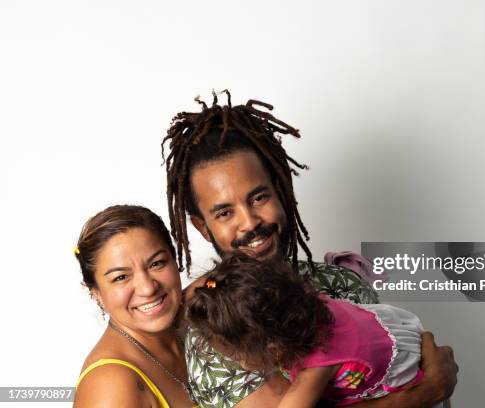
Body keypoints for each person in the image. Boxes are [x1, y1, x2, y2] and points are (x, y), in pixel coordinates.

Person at [162, 91, 458, 407]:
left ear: (282, 191)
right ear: (203, 227)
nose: (249, 222)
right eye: (224, 213)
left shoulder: (339, 283)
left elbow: (398, 368)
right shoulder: (219, 328)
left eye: (258, 197)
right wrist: (426, 392)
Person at [187, 255, 446, 408]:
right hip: (395, 331)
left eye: (234, 354)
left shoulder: (319, 362)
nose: (235, 362)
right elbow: (226, 285)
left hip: (404, 369)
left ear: (271, 347)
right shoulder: (295, 303)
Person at [73, 205, 197, 408]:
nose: (148, 288)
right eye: (121, 277)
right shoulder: (111, 384)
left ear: (175, 260)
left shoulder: (194, 323)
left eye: (156, 263)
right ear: (95, 292)